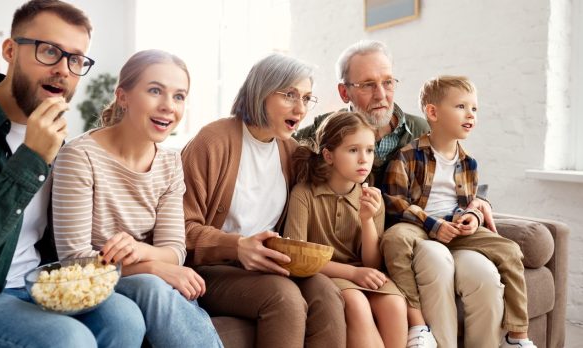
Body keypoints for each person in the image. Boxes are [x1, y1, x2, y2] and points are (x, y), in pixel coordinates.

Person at [294, 39, 504, 347]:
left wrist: (479, 199)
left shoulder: (422, 130)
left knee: (482, 275)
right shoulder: (321, 134)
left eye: (388, 82)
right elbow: (281, 156)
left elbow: (462, 167)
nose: (381, 94)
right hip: (373, 247)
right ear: (344, 92)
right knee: (428, 268)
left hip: (419, 231)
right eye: (367, 85)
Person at [0, 1, 146, 347]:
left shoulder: (60, 136)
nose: (63, 69)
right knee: (69, 340)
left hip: (38, 286)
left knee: (124, 318)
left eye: (76, 59)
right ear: (10, 50)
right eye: (49, 51)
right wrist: (30, 159)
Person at [52, 49, 222, 347]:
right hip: (86, 284)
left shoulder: (169, 163)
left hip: (141, 282)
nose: (169, 106)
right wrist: (151, 266)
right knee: (152, 285)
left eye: (179, 96)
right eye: (155, 90)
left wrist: (140, 251)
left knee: (153, 286)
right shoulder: (79, 157)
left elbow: (174, 251)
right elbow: (72, 261)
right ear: (123, 96)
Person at [181, 53, 346, 347]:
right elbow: (181, 227)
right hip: (212, 268)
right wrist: (236, 246)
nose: (300, 108)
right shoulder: (213, 141)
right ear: (261, 91)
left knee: (325, 292)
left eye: (307, 98)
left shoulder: (291, 152)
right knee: (284, 297)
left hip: (266, 263)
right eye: (290, 95)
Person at [381, 75, 536, 348]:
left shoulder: (468, 163)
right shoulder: (407, 155)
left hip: (455, 227)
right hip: (418, 224)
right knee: (393, 238)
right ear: (433, 112)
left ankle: (517, 336)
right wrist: (432, 224)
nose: (471, 115)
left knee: (511, 250)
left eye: (474, 108)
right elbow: (394, 202)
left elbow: (469, 202)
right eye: (461, 106)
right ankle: (418, 325)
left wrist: (473, 218)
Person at [284, 111, 408, 348]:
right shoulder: (304, 194)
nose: (364, 159)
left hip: (362, 272)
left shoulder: (372, 199)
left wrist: (367, 220)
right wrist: (352, 274)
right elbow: (296, 259)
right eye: (353, 150)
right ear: (329, 155)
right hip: (322, 275)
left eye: (369, 150)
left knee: (395, 304)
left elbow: (371, 265)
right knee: (356, 303)